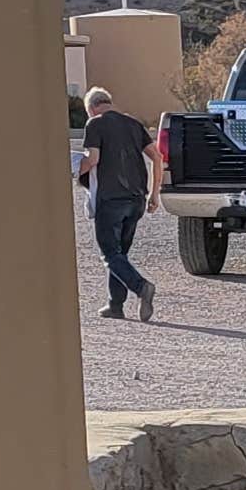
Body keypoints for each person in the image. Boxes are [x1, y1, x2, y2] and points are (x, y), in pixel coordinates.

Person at [76, 85, 157, 321]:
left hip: (110, 199)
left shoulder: (96, 123)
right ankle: (115, 305)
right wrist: (154, 194)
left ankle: (142, 287)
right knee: (120, 253)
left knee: (110, 253)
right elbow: (157, 157)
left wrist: (74, 170)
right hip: (136, 199)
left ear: (91, 109)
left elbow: (93, 159)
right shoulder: (133, 124)